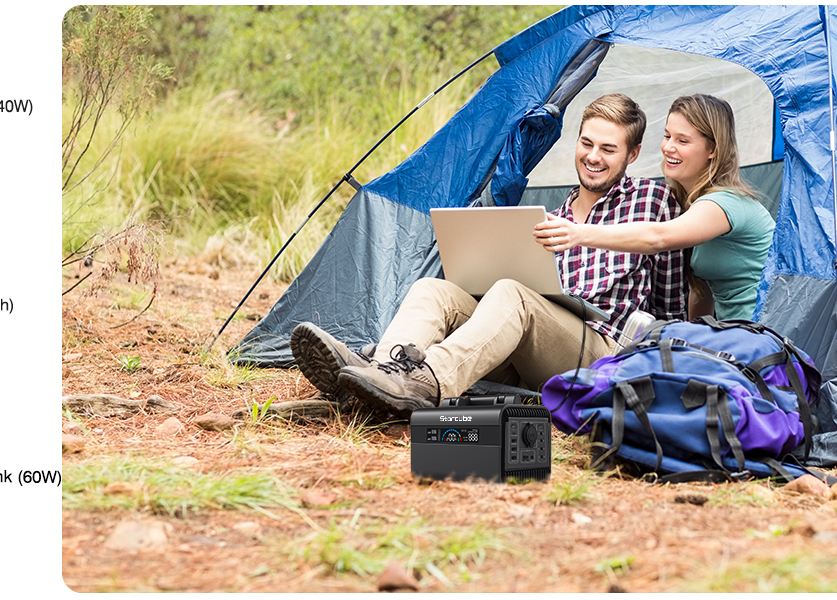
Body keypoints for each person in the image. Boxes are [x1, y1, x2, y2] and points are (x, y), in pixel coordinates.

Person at [291, 93, 686, 418]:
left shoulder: (653, 201)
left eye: (608, 149)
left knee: (513, 293)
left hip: (599, 356)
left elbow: (672, 305)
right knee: (435, 290)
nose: (593, 157)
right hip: (524, 350)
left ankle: (423, 383)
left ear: (632, 155)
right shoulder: (553, 216)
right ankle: (381, 376)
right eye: (586, 143)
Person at [534, 94, 774, 321]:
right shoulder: (690, 208)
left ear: (713, 150)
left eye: (682, 140)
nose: (668, 147)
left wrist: (578, 233)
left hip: (768, 333)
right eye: (667, 136)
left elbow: (658, 237)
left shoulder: (725, 202)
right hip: (733, 337)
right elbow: (701, 293)